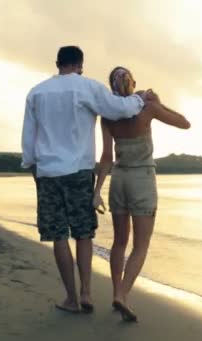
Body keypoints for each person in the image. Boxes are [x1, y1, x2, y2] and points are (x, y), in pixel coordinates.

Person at [21, 46, 161, 314]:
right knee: (83, 233)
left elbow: (29, 140)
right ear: (80, 64)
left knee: (58, 236)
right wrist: (141, 99)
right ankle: (87, 292)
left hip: (47, 173)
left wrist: (33, 170)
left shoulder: (36, 92)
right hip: (79, 171)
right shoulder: (86, 87)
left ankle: (72, 298)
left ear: (58, 63)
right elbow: (118, 108)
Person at [93, 66, 190, 322]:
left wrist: (96, 191)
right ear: (132, 83)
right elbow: (185, 123)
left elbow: (105, 158)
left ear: (113, 88)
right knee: (141, 245)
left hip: (119, 180)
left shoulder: (108, 117)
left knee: (119, 242)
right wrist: (159, 103)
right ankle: (123, 295)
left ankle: (118, 293)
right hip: (142, 180)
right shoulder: (148, 109)